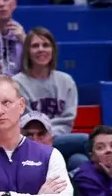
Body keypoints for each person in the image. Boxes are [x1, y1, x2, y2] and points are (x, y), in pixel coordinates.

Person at [17, 27, 88, 165]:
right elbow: (29, 123)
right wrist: (44, 136)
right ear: (27, 52)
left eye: (46, 45)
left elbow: (68, 119)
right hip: (32, 141)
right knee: (88, 141)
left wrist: (51, 135)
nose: (41, 49)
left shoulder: (66, 81)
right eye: (35, 46)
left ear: (53, 50)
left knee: (80, 161)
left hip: (59, 139)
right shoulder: (17, 83)